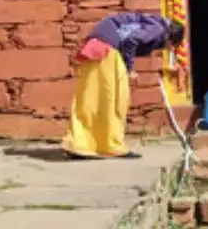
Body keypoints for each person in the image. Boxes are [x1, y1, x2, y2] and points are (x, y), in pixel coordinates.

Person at [62, 12, 186, 159]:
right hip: (107, 51)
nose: (168, 49)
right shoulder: (158, 29)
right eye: (172, 46)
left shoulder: (151, 23)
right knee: (114, 101)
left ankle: (80, 143)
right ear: (171, 39)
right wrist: (129, 69)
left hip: (98, 47)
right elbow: (131, 40)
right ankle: (111, 145)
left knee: (91, 99)